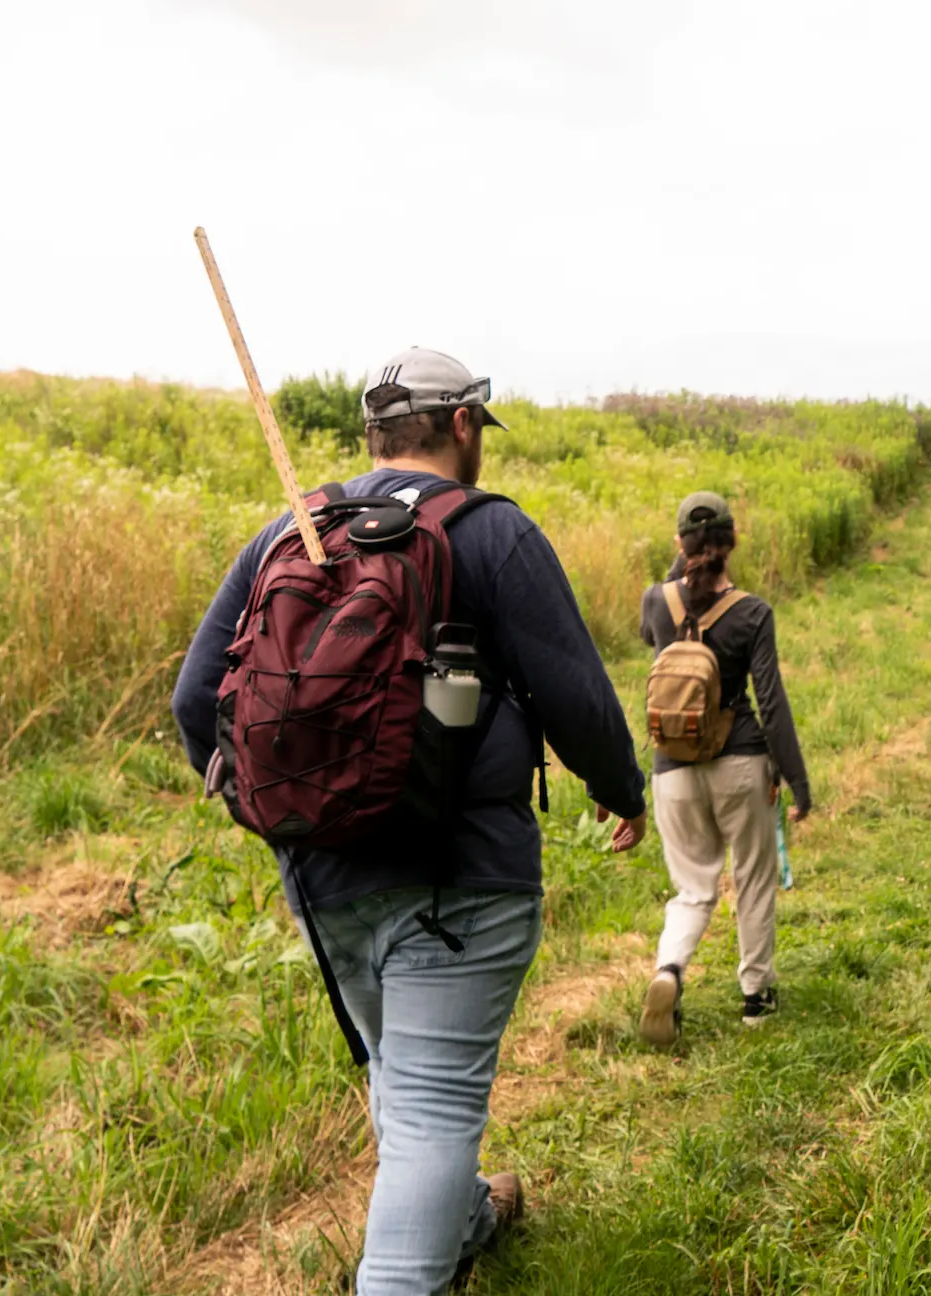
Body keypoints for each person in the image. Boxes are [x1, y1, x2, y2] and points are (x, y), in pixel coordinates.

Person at [171, 347, 648, 1296]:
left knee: (404, 1074)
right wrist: (621, 789)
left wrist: (278, 806)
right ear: (465, 426)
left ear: (376, 435)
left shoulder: (296, 530)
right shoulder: (491, 532)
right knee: (429, 1106)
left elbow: (196, 701)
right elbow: (576, 693)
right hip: (458, 877)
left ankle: (466, 1217)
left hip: (322, 879)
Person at [634, 489, 812, 1043]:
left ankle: (669, 971)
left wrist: (677, 561)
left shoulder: (656, 602)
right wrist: (796, 778)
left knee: (694, 890)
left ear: (679, 544)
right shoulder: (753, 612)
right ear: (733, 543)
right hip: (740, 762)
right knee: (753, 880)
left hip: (673, 770)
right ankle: (756, 997)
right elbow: (772, 701)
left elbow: (649, 635)